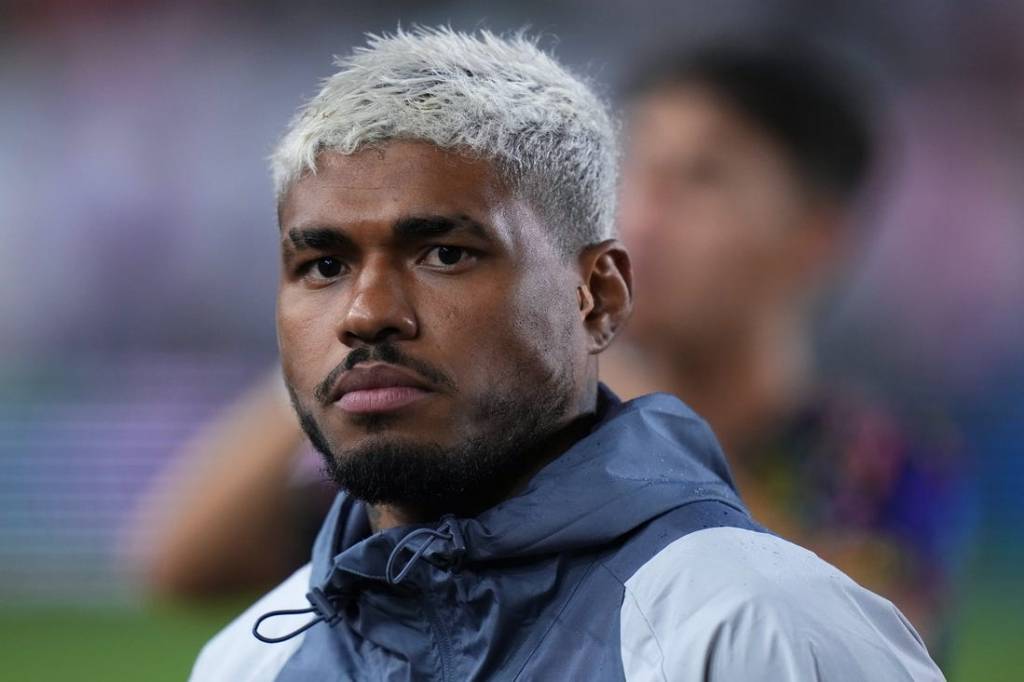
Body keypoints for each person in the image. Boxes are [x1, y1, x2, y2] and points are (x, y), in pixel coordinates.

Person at [190, 27, 942, 680]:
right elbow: (182, 560)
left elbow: (838, 617)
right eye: (323, 265)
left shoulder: (784, 588)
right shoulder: (252, 657)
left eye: (446, 254)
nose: (653, 210)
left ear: (598, 293)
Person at [605, 40, 972, 655]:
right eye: (635, 170)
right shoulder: (535, 432)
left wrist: (646, 417)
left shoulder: (879, 467)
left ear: (814, 236)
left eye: (702, 178)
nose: (644, 216)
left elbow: (866, 649)